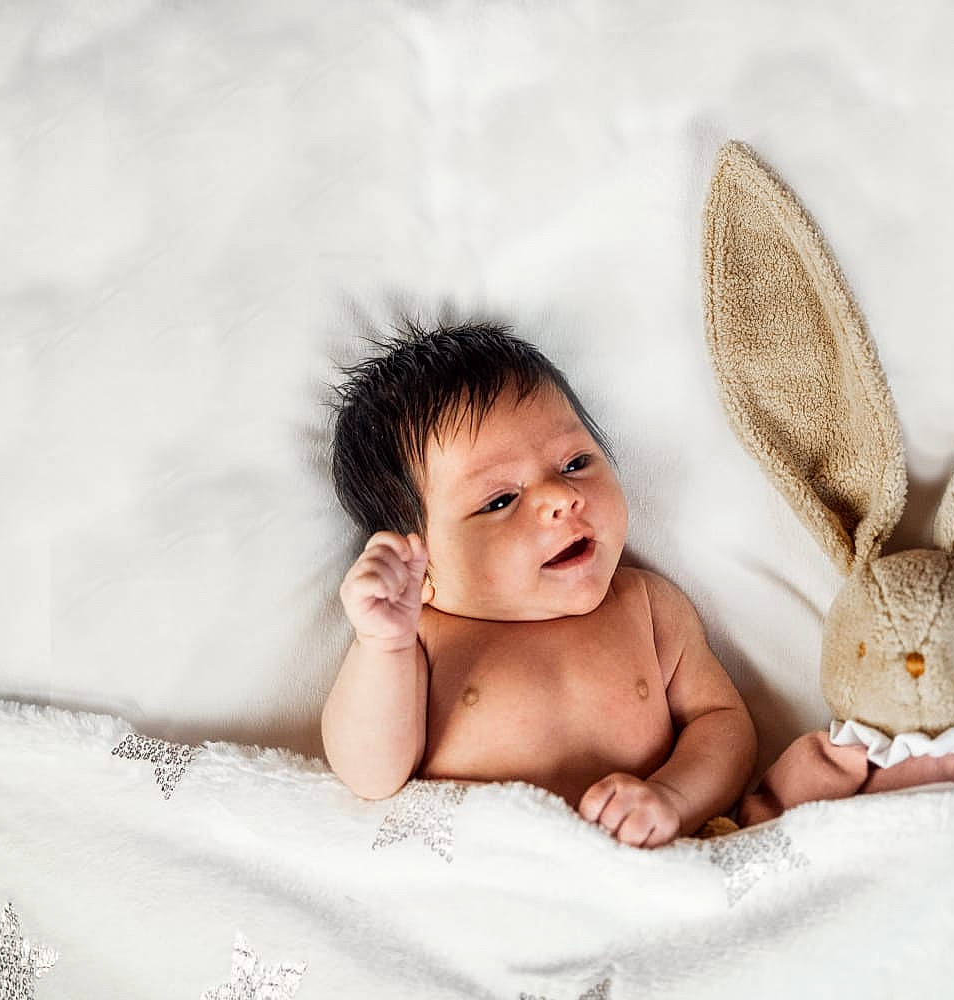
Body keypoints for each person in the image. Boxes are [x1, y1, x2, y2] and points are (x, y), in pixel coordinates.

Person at [322, 322, 756, 847]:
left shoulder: (646, 606)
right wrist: (382, 643)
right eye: (500, 500)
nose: (561, 497)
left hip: (639, 866)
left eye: (575, 463)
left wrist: (672, 797)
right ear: (423, 568)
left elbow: (721, 722)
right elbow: (370, 775)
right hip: (497, 876)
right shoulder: (419, 640)